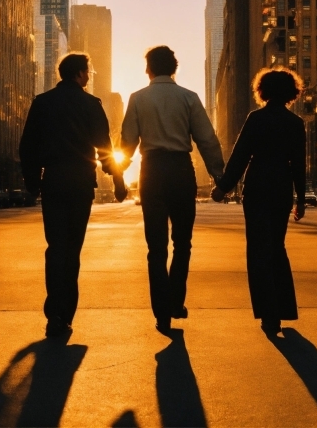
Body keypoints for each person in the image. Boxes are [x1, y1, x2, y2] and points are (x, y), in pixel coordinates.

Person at [19, 52, 127, 338]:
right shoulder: (90, 104)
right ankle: (65, 313)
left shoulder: (42, 103)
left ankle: (53, 312)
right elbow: (105, 147)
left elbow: (28, 145)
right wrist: (117, 180)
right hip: (80, 183)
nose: (89, 77)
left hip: (52, 180)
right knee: (72, 250)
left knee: (55, 246)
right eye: (88, 72)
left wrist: (32, 181)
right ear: (79, 74)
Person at [121, 45, 224, 335]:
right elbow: (207, 139)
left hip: (151, 171)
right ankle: (176, 302)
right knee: (182, 242)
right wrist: (219, 175)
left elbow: (127, 141)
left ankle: (161, 313)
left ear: (148, 69)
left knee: (156, 247)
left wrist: (118, 174)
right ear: (175, 68)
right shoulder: (189, 98)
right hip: (181, 171)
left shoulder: (138, 98)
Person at [212, 68, 306, 334]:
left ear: (262, 90)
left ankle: (269, 315)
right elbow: (299, 165)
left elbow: (240, 156)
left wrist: (223, 188)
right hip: (281, 188)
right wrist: (301, 199)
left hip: (257, 189)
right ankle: (283, 308)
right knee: (277, 247)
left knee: (258, 251)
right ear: (291, 91)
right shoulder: (295, 123)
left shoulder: (256, 119)